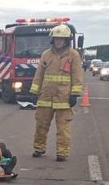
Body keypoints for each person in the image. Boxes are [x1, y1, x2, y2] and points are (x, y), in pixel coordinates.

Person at [29, 24, 84, 162]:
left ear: (67, 40)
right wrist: (34, 91)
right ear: (52, 40)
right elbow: (39, 75)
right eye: (56, 38)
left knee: (63, 128)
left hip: (64, 99)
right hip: (45, 97)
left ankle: (62, 153)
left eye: (62, 39)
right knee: (41, 125)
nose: (59, 41)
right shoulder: (46, 55)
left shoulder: (73, 56)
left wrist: (75, 94)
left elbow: (77, 76)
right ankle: (39, 148)